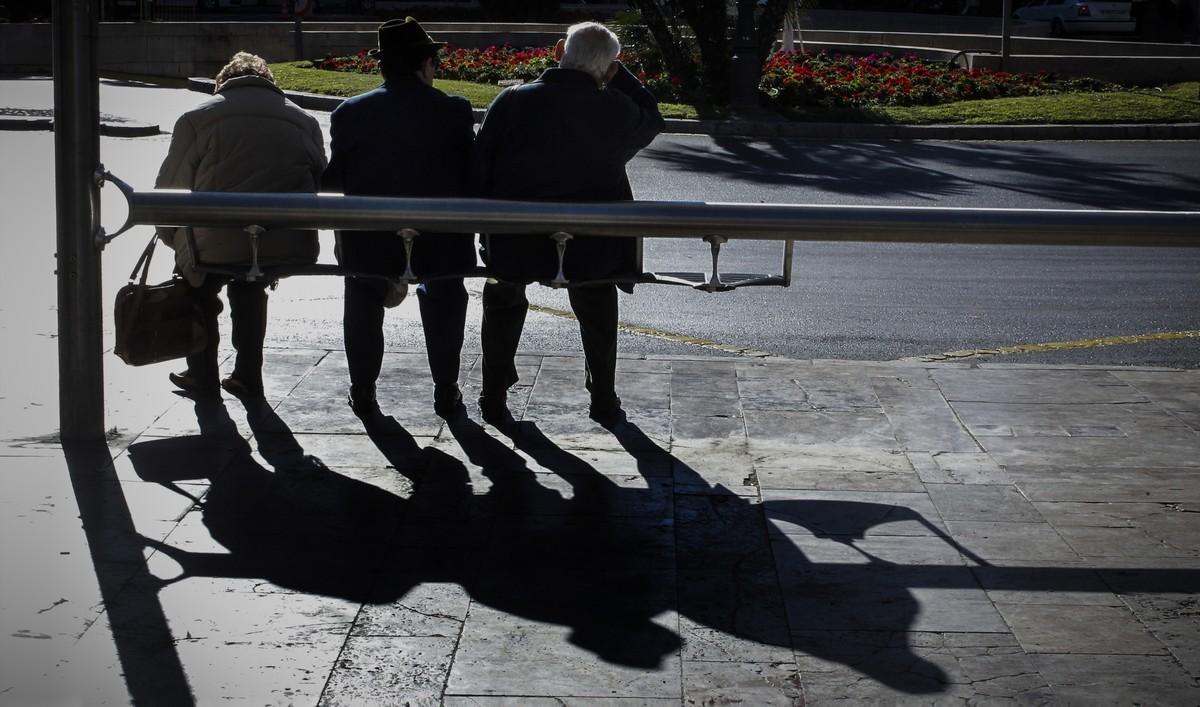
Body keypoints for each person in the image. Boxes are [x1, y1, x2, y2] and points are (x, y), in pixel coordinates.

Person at [471, 21, 664, 423]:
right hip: (592, 245)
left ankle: (493, 394)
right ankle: (603, 396)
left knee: (503, 297)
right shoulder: (616, 109)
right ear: (612, 68)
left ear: (559, 50)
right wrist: (616, 73)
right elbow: (652, 114)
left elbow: (480, 166)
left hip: (516, 239)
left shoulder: (512, 101)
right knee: (597, 301)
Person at [322, 17, 477, 420]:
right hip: (440, 236)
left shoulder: (349, 112)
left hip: (370, 236)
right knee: (445, 298)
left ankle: (364, 392)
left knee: (362, 300)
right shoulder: (454, 110)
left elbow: (335, 177)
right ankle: (446, 391)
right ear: (425, 63)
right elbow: (470, 174)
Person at [155, 51, 326, 400]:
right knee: (251, 281)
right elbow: (321, 181)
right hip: (284, 240)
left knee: (199, 286)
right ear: (269, 82)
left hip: (212, 240)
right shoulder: (304, 121)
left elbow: (167, 191)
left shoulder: (195, 119)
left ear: (223, 83)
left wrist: (172, 239)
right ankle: (248, 375)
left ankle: (202, 374)